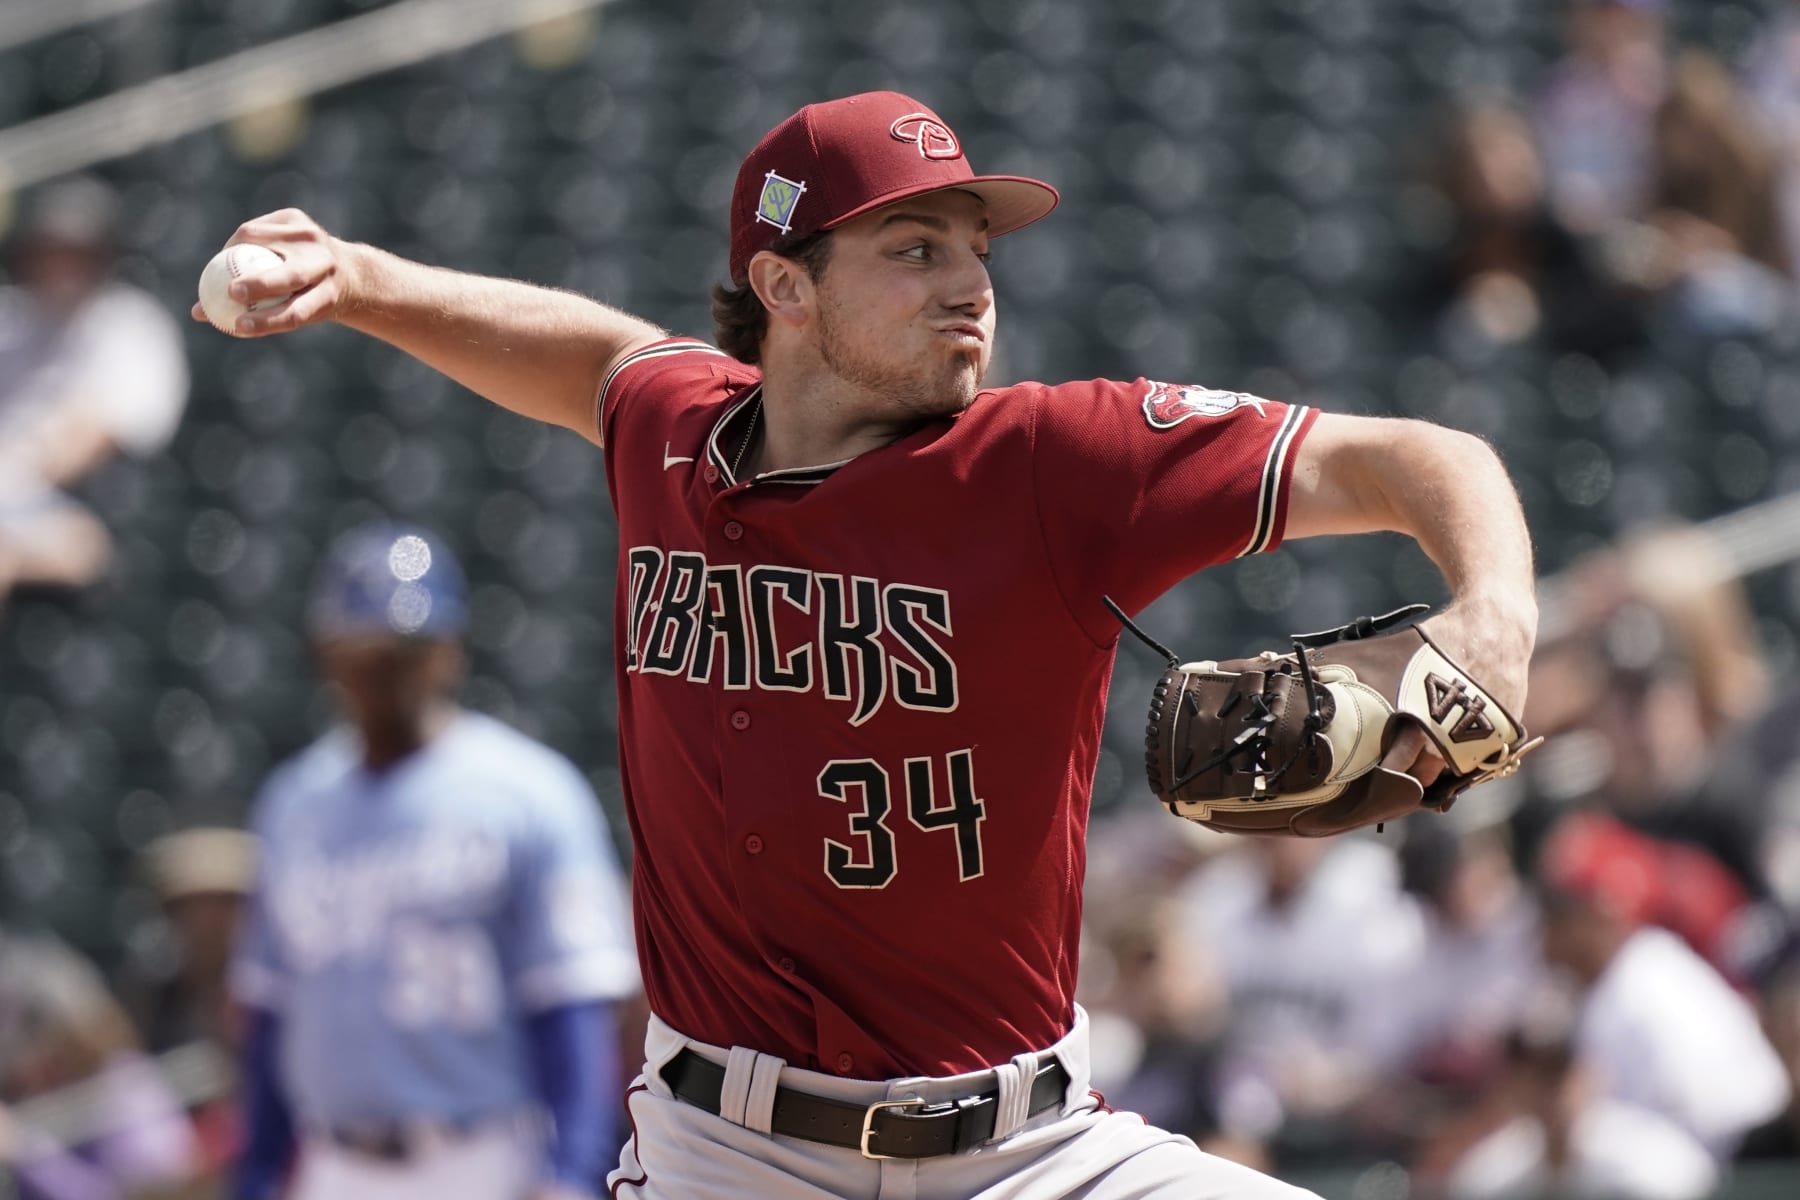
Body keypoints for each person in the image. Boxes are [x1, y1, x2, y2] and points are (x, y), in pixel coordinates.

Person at [200, 91, 1537, 1198]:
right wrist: (362, 279)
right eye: (915, 252)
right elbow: (591, 359)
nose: (971, 287)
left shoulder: (1055, 458)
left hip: (1031, 1150)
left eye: (977, 251)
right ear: (783, 283)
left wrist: (1492, 615)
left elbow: (1422, 455)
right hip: (729, 1153)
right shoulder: (675, 433)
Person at [227, 524, 639, 1200]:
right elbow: (272, 1017)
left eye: (402, 652)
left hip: (481, 1161)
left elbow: (573, 1006)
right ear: (326, 656)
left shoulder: (530, 793)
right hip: (331, 1164)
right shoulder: (294, 804)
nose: (378, 673)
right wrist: (258, 1175)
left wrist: (569, 1174)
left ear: (450, 653)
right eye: (359, 652)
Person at [0, 175, 189, 605]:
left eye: (76, 252)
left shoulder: (130, 326)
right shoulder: (9, 317)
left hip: (80, 509)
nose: (61, 264)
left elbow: (90, 439)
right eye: (52, 249)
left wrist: (16, 468)